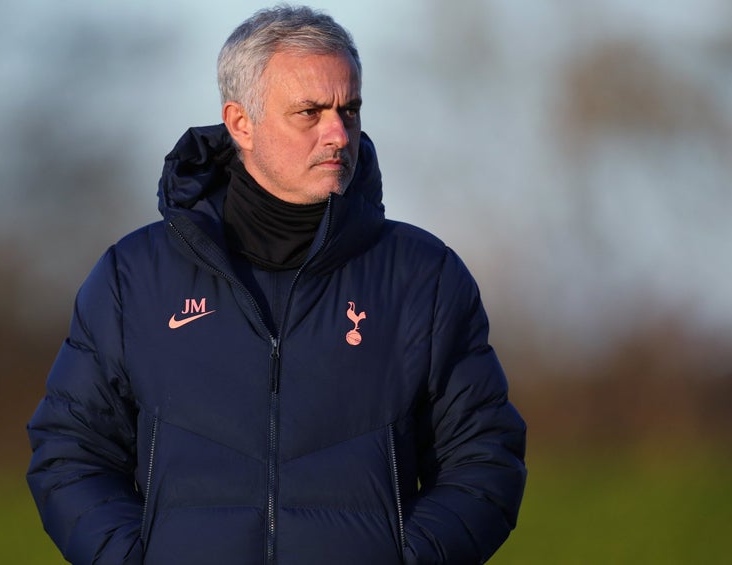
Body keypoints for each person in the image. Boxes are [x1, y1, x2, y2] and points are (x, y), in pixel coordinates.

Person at [26, 5, 526, 564]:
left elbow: (485, 459)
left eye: (349, 110)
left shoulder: (424, 278)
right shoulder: (132, 278)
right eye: (310, 112)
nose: (338, 133)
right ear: (242, 123)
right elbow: (69, 456)